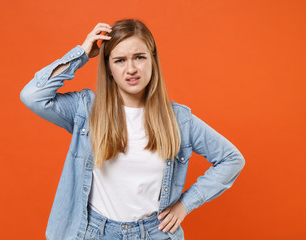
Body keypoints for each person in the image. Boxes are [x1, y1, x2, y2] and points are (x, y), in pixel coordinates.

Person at [20, 19, 245, 240]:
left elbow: (231, 159)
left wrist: (185, 205)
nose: (131, 69)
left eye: (139, 57)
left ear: (152, 60)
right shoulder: (87, 110)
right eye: (119, 60)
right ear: (108, 68)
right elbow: (33, 96)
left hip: (156, 233)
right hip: (95, 232)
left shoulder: (178, 120)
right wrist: (81, 54)